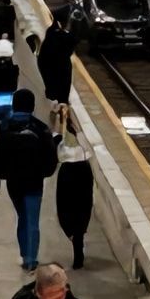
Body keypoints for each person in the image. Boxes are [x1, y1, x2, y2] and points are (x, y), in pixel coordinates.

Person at [0, 89, 58, 272]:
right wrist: (44, 173)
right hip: (34, 182)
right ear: (32, 106)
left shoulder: (5, 127)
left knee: (22, 216)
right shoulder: (40, 128)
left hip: (14, 182)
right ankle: (31, 258)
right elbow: (51, 158)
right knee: (32, 220)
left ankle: (24, 252)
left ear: (14, 104)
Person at [53, 106, 94, 270]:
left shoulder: (63, 133)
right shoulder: (81, 133)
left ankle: (75, 238)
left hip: (69, 172)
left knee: (66, 208)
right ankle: (78, 237)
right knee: (82, 207)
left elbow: (55, 143)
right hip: (83, 171)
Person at [34, 11, 77, 105]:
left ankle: (56, 100)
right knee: (61, 88)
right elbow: (71, 45)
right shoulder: (64, 36)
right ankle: (61, 102)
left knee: (53, 88)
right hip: (59, 66)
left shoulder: (50, 32)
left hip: (48, 65)